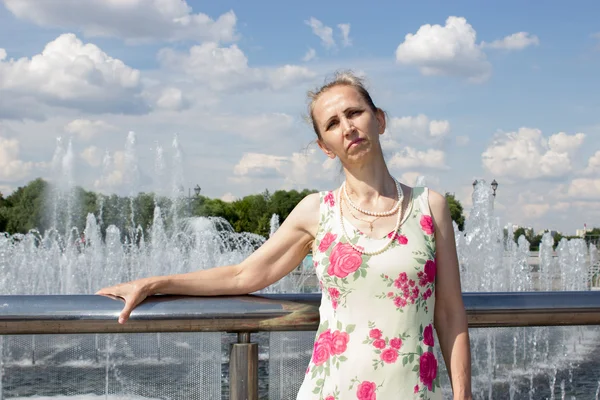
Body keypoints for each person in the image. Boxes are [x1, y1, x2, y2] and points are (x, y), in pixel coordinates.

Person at [96, 71, 472, 399]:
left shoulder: (429, 206)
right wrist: (155, 283)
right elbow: (243, 275)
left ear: (380, 120)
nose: (348, 127)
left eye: (355, 112)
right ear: (326, 147)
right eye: (333, 123)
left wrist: (464, 394)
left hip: (414, 391)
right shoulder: (316, 211)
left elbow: (450, 311)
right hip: (331, 389)